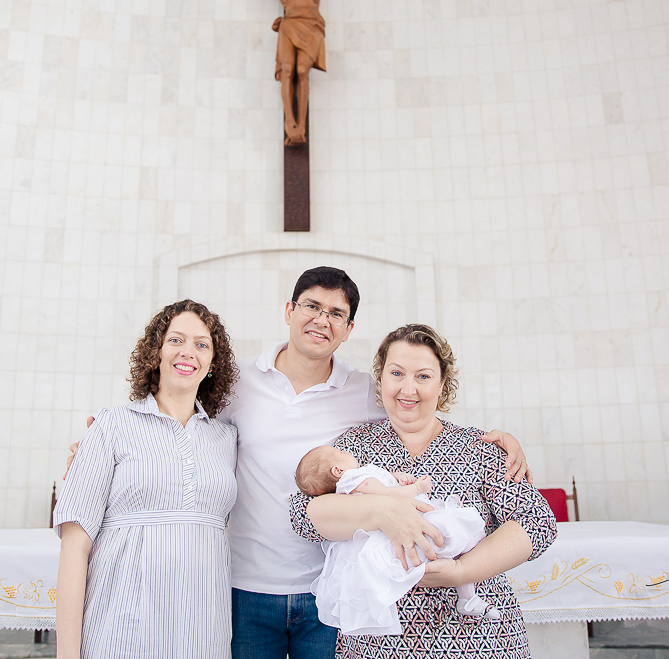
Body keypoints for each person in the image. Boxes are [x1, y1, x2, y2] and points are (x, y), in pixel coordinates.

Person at [68, 267, 531, 659]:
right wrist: (102, 442)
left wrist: (501, 441)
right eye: (311, 306)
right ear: (289, 311)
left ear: (348, 328)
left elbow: (414, 406)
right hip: (244, 587)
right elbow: (178, 417)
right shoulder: (236, 383)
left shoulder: (365, 392)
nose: (321, 320)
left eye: (336, 313)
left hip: (325, 586)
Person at [290, 324, 557, 659]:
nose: (408, 388)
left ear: (443, 383)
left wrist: (462, 572)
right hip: (380, 647)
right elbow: (303, 516)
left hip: (478, 640)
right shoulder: (353, 447)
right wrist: (383, 513)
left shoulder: (480, 448)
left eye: (423, 376)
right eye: (396, 373)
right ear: (381, 378)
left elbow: (537, 523)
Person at [54, 300, 239, 659]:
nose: (188, 352)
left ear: (213, 363)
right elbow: (75, 547)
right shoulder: (110, 425)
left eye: (202, 344)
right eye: (176, 340)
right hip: (122, 625)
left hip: (203, 628)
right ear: (156, 352)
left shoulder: (227, 438)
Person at [295, 446, 501, 636]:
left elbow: (382, 481)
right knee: (465, 531)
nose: (345, 451)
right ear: (337, 470)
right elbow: (389, 494)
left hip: (404, 524)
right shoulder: (355, 478)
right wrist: (418, 488)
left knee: (463, 539)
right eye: (339, 452)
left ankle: (467, 597)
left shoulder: (357, 478)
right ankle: (466, 596)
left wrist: (397, 477)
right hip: (403, 527)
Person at [199, 0, 384, 145]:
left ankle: (301, 125)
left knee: (302, 70)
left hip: (312, 24)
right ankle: (290, 122)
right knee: (287, 70)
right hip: (289, 23)